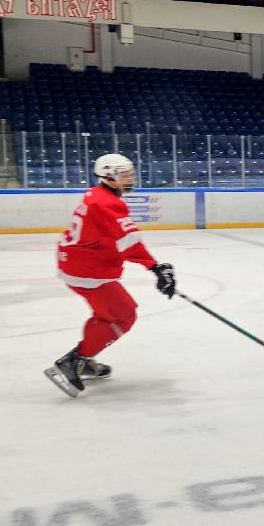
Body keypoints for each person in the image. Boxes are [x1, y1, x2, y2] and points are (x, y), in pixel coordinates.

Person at [46, 153, 176, 398]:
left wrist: (153, 267)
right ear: (108, 176)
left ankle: (84, 359)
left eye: (130, 174)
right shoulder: (106, 202)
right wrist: (155, 267)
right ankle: (73, 362)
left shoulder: (98, 195)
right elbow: (129, 240)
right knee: (123, 315)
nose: (130, 178)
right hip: (87, 270)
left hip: (77, 264)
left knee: (106, 315)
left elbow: (115, 238)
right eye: (124, 175)